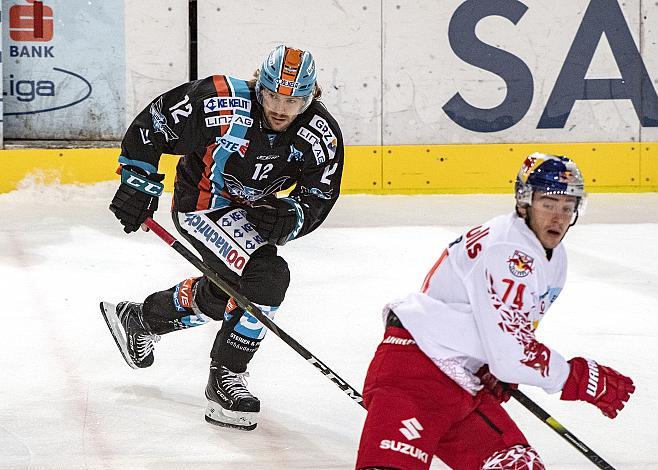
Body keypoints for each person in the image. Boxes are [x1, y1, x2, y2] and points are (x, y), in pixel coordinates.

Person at [101, 45, 344, 431]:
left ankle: (143, 318)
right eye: (273, 96)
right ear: (258, 87)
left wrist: (291, 216)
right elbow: (153, 127)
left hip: (252, 215)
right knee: (267, 276)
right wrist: (137, 183)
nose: (281, 108)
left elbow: (318, 195)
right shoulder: (220, 99)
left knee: (233, 293)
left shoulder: (320, 134)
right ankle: (226, 378)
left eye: (294, 101)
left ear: (312, 97)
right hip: (203, 204)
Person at [355, 153, 635, 469]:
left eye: (567, 207)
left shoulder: (550, 256)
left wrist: (491, 360)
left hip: (464, 378)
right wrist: (574, 376)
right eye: (548, 203)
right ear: (524, 202)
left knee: (516, 465)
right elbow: (513, 353)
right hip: (416, 372)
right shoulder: (510, 252)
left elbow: (509, 331)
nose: (558, 216)